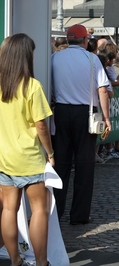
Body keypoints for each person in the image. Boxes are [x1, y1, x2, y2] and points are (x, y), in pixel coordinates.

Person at [0, 33, 53, 266]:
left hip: (4, 156)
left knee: (9, 208)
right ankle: (41, 262)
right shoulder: (32, 86)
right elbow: (41, 124)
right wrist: (50, 153)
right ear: (25, 55)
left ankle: (15, 260)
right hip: (29, 157)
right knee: (40, 209)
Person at [52, 24, 111, 224]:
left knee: (61, 164)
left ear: (69, 40)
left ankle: (56, 212)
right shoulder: (92, 59)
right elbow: (103, 90)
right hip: (85, 113)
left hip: (60, 111)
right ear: (85, 40)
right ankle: (79, 215)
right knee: (85, 165)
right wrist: (107, 118)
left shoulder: (55, 58)